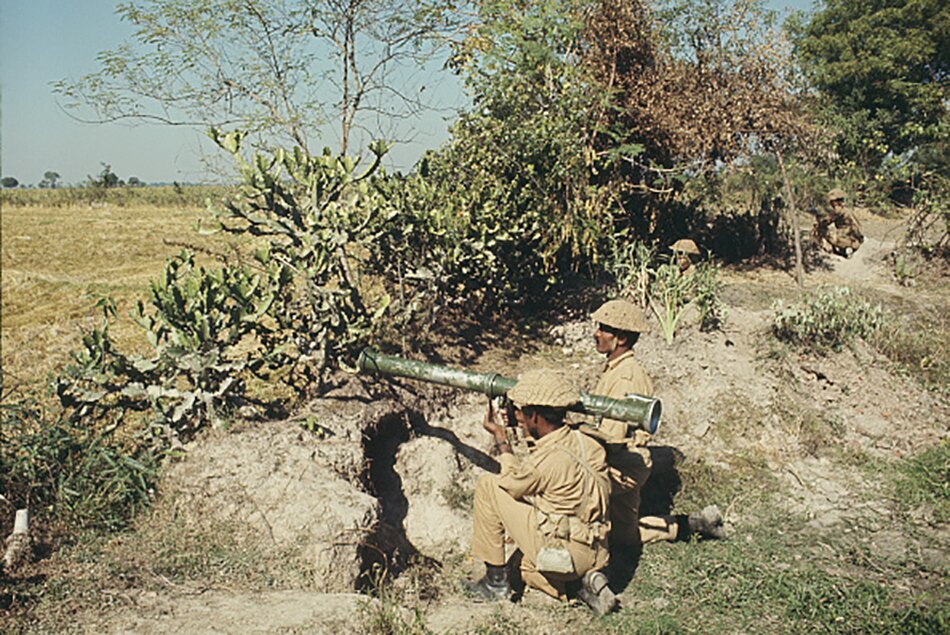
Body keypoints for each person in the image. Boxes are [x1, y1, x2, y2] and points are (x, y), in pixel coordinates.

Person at [466, 369, 619, 615]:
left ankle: (496, 584)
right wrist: (526, 429)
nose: (517, 415)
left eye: (520, 411)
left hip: (567, 554)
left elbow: (513, 484)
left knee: (489, 486)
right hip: (598, 550)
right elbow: (547, 463)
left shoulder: (546, 462)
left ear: (535, 415)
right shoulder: (589, 441)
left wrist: (501, 438)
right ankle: (585, 581)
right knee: (523, 563)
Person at [589, 299, 724, 549]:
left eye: (603, 329)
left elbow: (610, 439)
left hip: (620, 465)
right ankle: (690, 525)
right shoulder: (618, 368)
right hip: (624, 461)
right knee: (625, 538)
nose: (596, 333)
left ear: (621, 338)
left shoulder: (625, 377)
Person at [813, 188, 863, 257]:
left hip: (850, 239)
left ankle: (845, 247)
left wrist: (819, 221)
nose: (831, 203)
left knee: (824, 232)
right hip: (854, 237)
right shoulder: (846, 209)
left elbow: (827, 221)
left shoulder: (838, 210)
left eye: (832, 201)